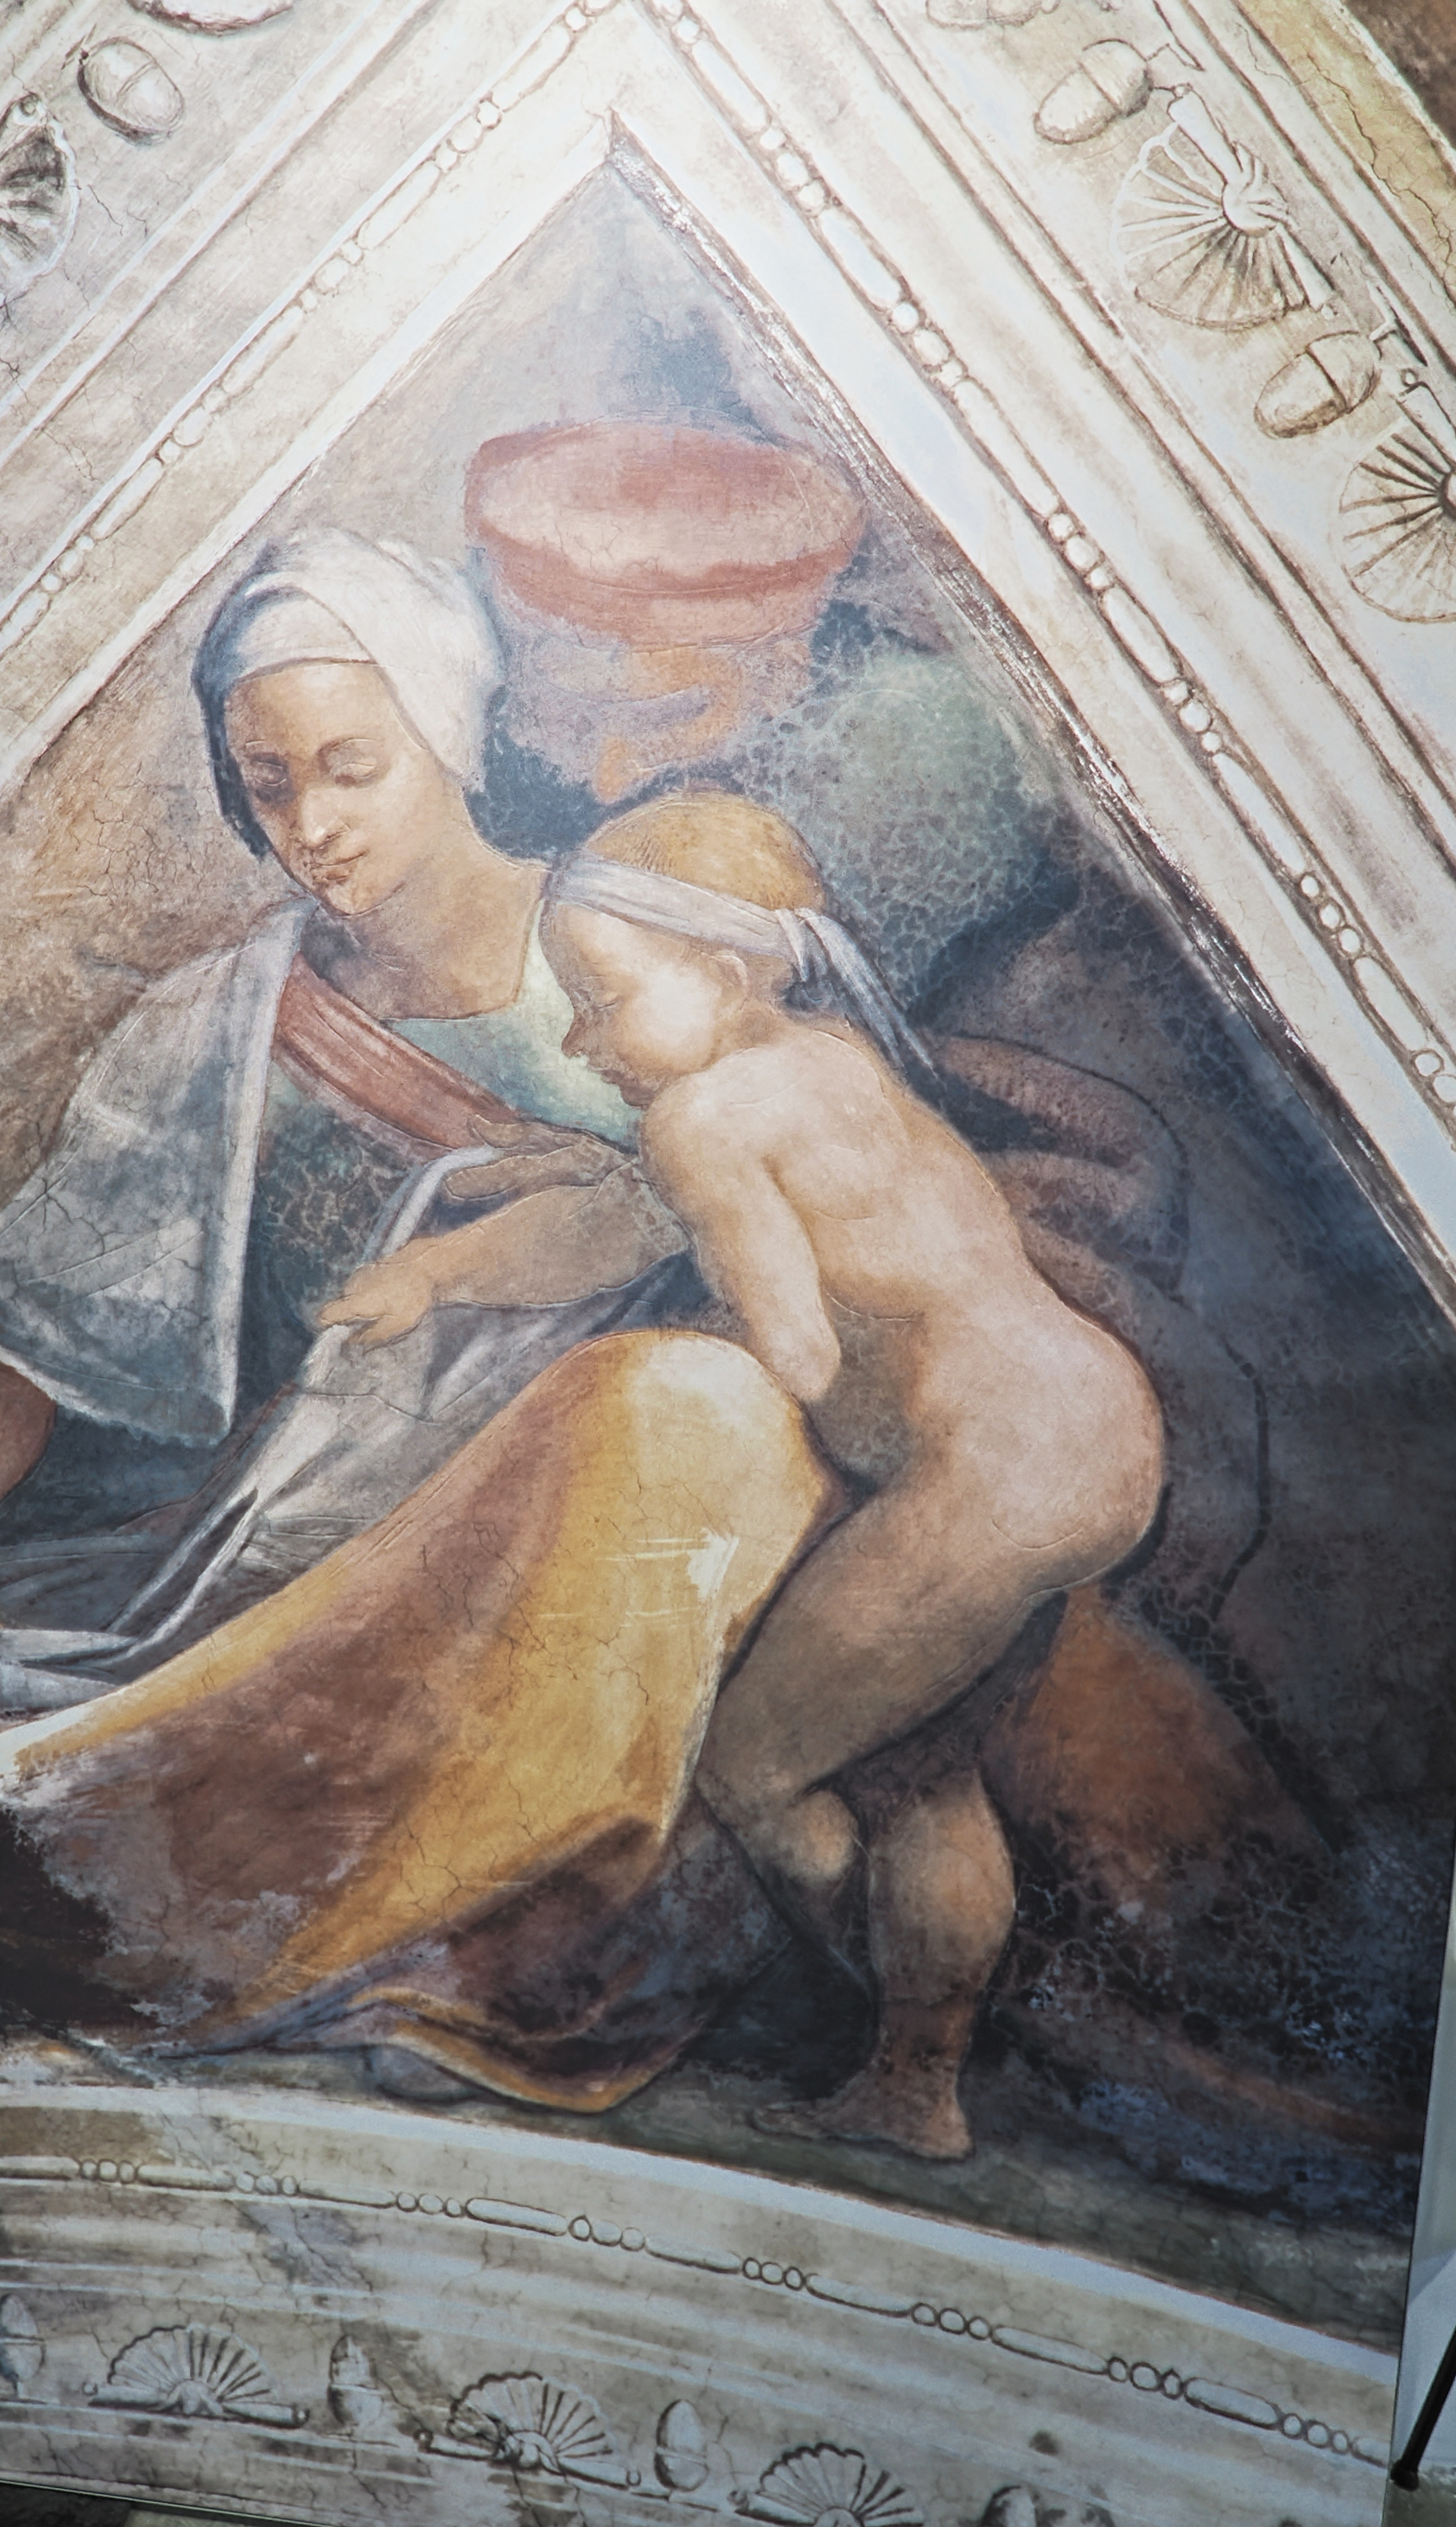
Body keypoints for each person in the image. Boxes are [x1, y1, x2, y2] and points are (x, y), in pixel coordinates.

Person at [0, 530, 839, 2105]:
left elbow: (861, 1211)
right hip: (299, 1609)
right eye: (268, 785)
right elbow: (21, 1307)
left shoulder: (649, 939)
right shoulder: (223, 1026)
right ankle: (328, 1899)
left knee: (681, 1407)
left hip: (633, 1606)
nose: (312, 827)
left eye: (353, 768)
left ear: (449, 733)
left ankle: (505, 1899)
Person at [335, 791, 1164, 2162]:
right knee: (919, 1775)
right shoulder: (830, 1059)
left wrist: (656, 1380)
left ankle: (879, 2028)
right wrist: (439, 1273)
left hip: (996, 1477)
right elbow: (623, 1229)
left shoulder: (703, 1122)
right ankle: (919, 2090)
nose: (582, 1041)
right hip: (1099, 1429)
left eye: (603, 1001)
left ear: (727, 973)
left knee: (758, 1766)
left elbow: (792, 1346)